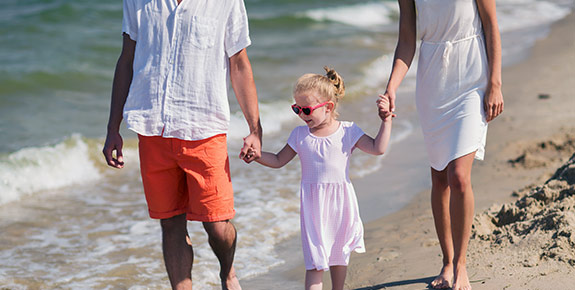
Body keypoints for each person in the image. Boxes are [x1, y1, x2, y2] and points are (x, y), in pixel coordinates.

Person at [102, 0, 262, 289]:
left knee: (216, 225)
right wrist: (113, 127)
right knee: (171, 222)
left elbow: (238, 62)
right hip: (152, 127)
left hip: (205, 128)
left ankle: (227, 272)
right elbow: (126, 59)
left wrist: (255, 128)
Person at [384, 0, 504, 289]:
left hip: (472, 74)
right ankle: (447, 261)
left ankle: (461, 264)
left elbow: (491, 25)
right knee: (439, 176)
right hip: (432, 78)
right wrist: (391, 87)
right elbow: (406, 41)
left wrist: (495, 83)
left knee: (459, 176)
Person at [246, 67, 393, 290]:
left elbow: (377, 148)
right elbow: (277, 160)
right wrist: (257, 156)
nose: (302, 115)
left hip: (341, 203)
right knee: (315, 262)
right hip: (313, 207)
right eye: (296, 109)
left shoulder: (348, 131)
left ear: (328, 107)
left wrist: (386, 121)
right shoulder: (299, 135)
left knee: (338, 255)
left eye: (306, 109)